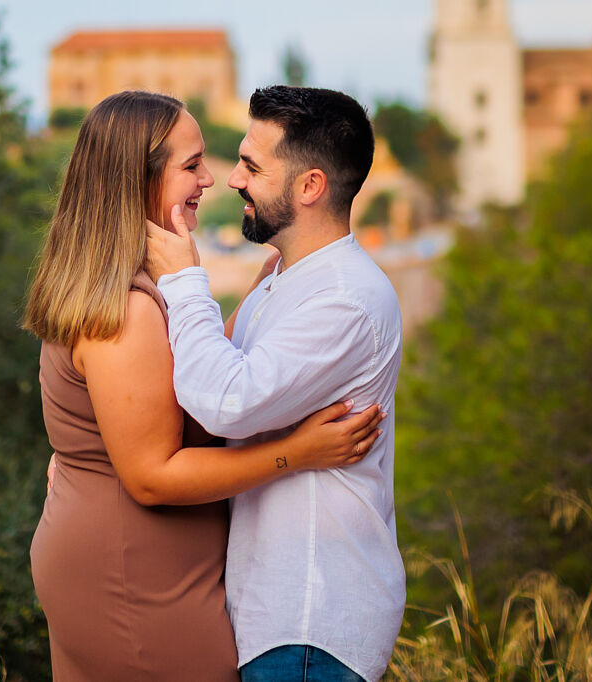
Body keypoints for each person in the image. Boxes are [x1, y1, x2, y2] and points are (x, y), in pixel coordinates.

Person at [24, 90, 385, 682]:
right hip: (136, 576)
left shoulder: (132, 289)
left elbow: (187, 382)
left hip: (145, 564)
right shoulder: (130, 309)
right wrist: (299, 454)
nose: (211, 180)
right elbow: (150, 474)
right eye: (191, 166)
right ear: (136, 179)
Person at [145, 85, 406, 682]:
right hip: (280, 618)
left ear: (309, 186)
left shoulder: (344, 300)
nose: (231, 179)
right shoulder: (285, 279)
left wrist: (186, 282)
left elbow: (224, 403)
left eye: (252, 165)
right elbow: (196, 382)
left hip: (311, 622)